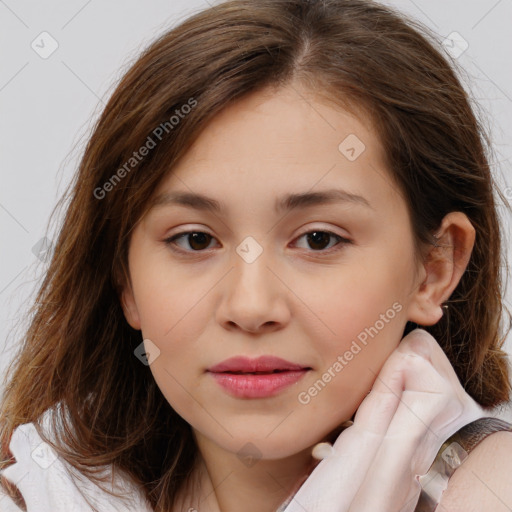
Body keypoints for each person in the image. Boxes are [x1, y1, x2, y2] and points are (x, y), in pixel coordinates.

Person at [1, 0, 511, 510]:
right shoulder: (40, 487)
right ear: (125, 280)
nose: (249, 307)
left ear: (434, 270)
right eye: (195, 240)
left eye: (318, 239)